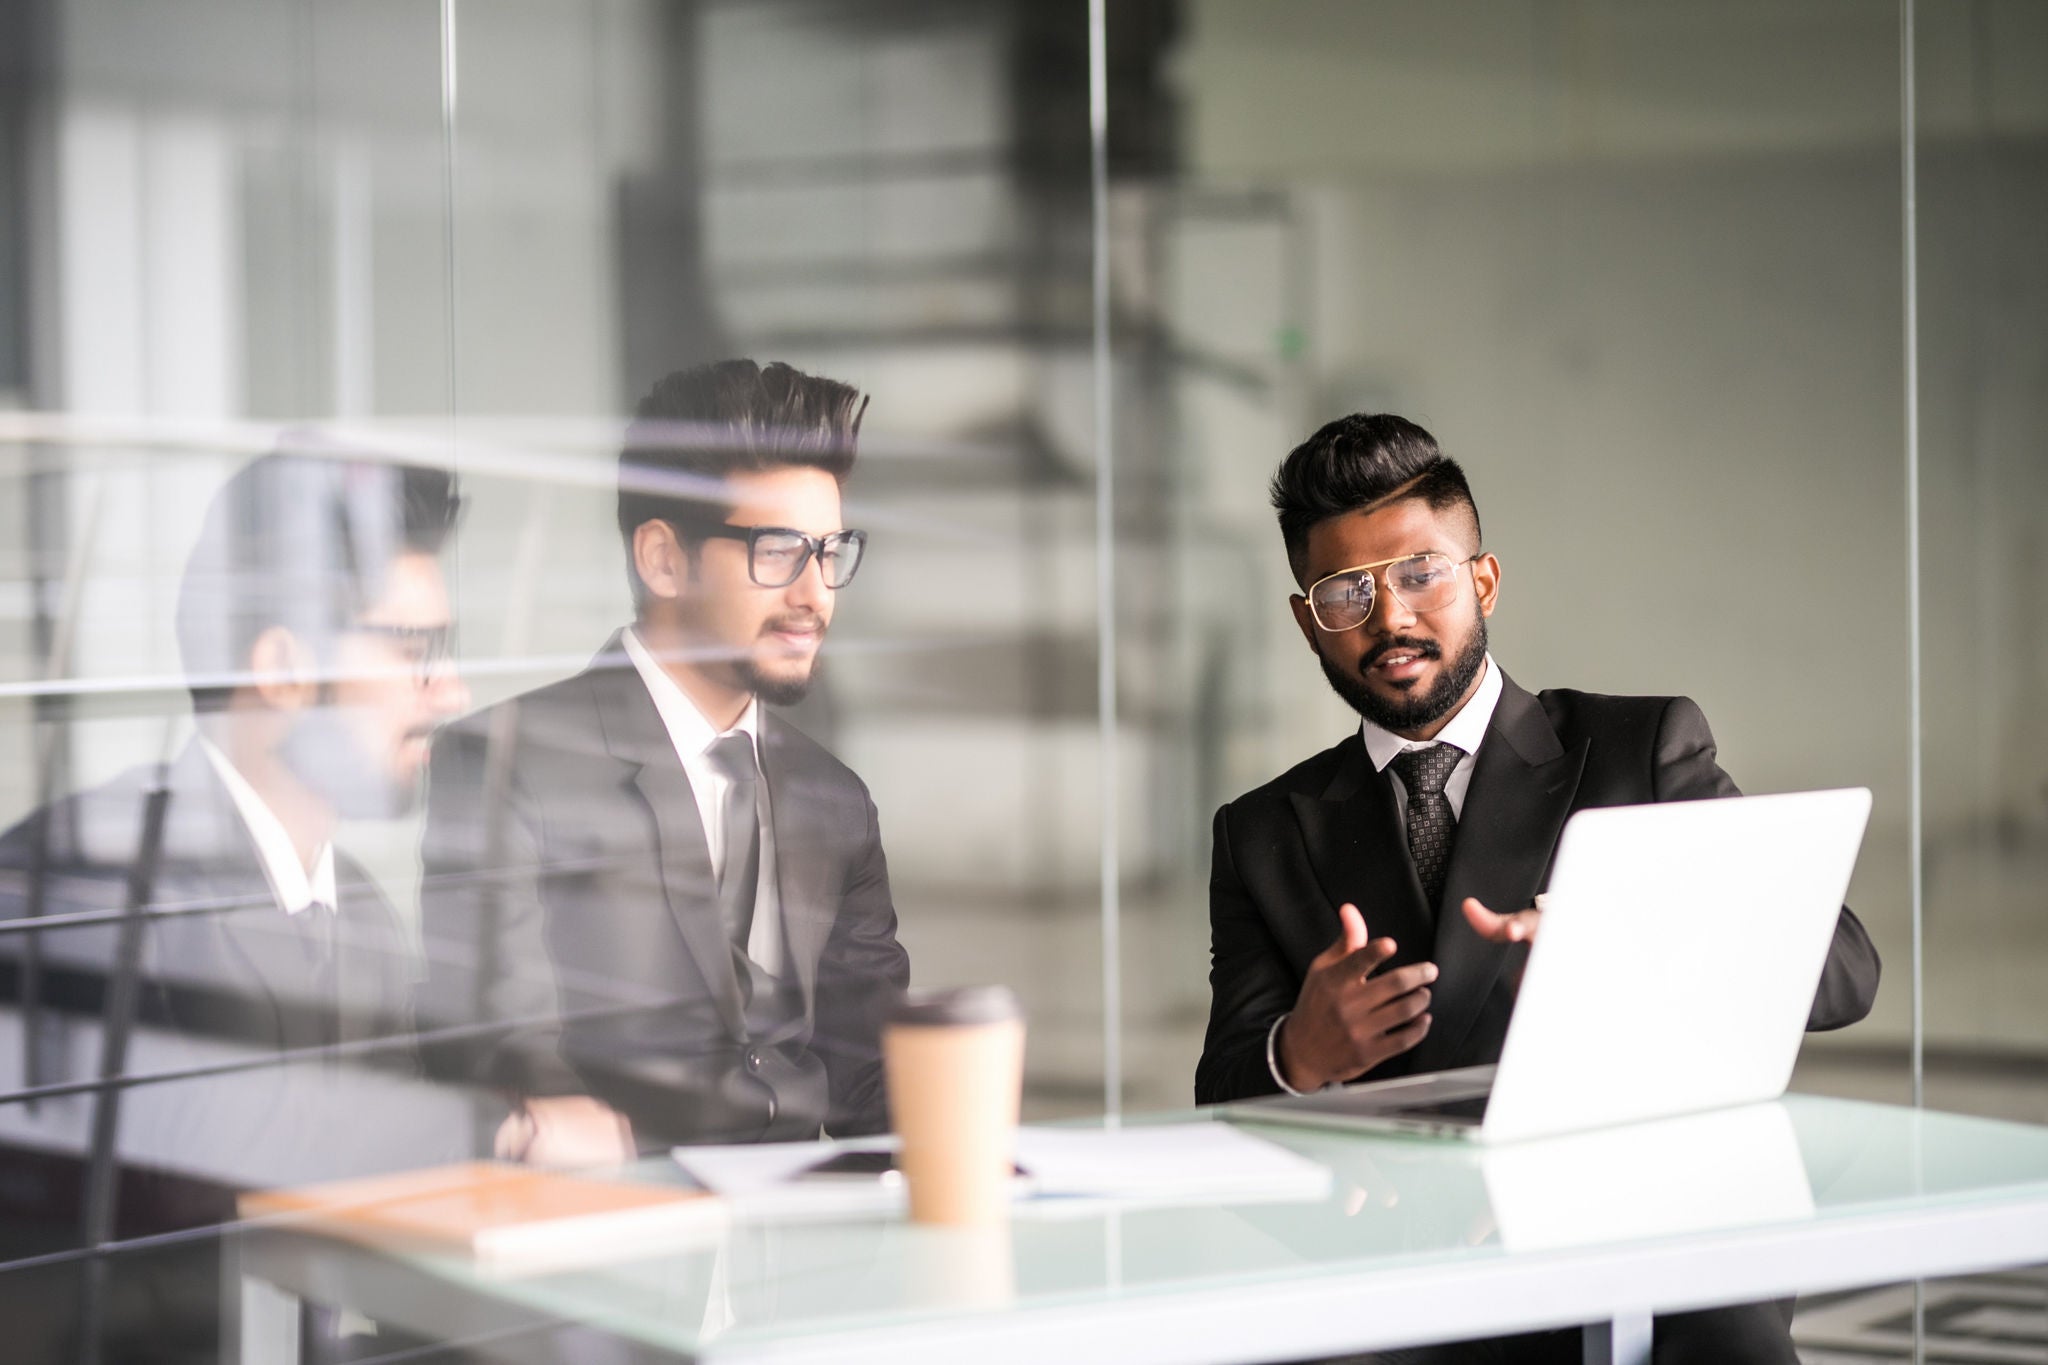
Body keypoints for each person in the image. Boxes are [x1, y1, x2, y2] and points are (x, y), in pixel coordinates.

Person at [1194, 413, 1880, 1364]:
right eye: (1346, 591)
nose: (1390, 617)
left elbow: (1845, 970)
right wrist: (1299, 1053)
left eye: (1421, 571)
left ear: (1483, 578)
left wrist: (1633, 949)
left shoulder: (1638, 750)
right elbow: (1225, 1087)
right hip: (1404, 1270)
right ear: (1310, 619)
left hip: (1653, 1239)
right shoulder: (1265, 830)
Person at [0, 447, 470, 1360]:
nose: (449, 693)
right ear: (284, 669)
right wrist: (507, 1127)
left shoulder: (363, 913)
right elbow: (208, 1172)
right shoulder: (90, 883)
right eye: (414, 651)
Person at [418, 358, 910, 1163]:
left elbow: (873, 1083)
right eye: (780, 550)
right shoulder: (506, 762)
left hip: (799, 1257)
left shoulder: (834, 800)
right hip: (614, 1238)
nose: (816, 593)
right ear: (662, 559)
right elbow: (502, 1051)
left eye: (831, 551)